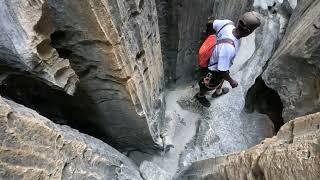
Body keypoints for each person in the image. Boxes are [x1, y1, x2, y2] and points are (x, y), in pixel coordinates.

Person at [196, 11, 261, 107]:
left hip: (216, 59)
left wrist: (208, 34)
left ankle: (218, 92)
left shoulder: (227, 24)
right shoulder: (228, 49)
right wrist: (231, 82)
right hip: (214, 69)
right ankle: (200, 95)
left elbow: (210, 23)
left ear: (239, 21)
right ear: (248, 32)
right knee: (208, 84)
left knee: (221, 78)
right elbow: (222, 71)